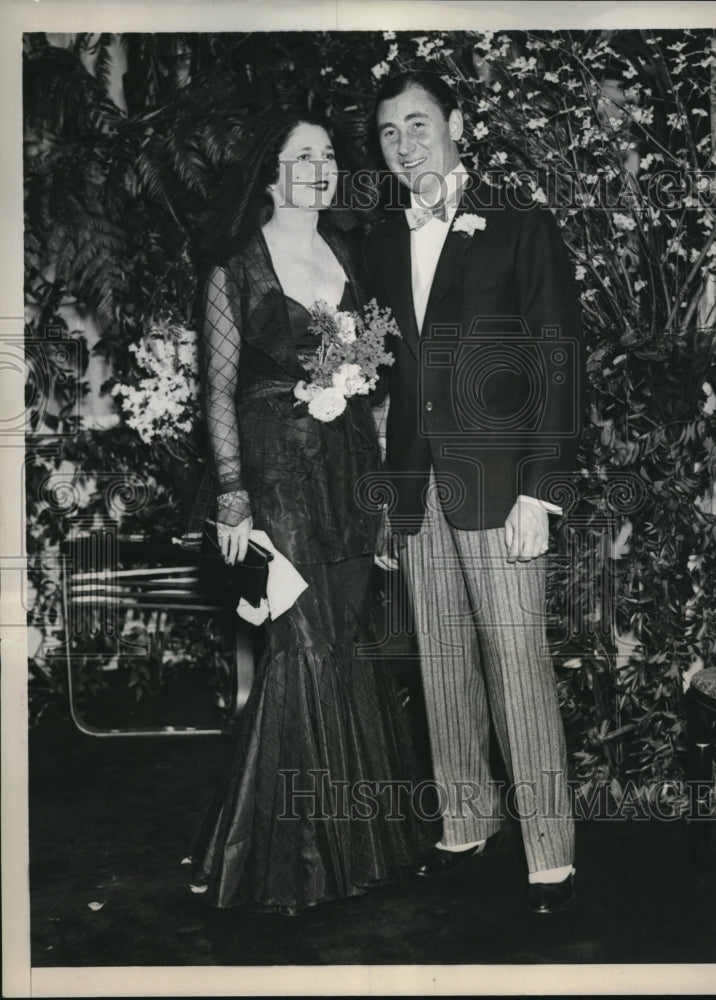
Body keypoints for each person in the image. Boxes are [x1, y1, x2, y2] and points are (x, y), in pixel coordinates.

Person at [189, 109, 419, 915]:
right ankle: (285, 860)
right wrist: (233, 496)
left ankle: (359, 845)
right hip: (275, 472)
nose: (319, 168)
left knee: (346, 640)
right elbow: (217, 392)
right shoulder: (234, 269)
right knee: (301, 642)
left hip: (348, 468)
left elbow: (377, 381)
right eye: (303, 155)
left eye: (327, 155)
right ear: (271, 171)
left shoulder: (350, 254)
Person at [364, 71, 584, 915]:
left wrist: (541, 491)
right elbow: (394, 383)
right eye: (388, 133)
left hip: (502, 487)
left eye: (417, 124)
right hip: (419, 488)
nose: (404, 144)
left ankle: (549, 857)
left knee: (517, 667)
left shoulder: (519, 224)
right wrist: (390, 501)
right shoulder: (383, 242)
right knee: (443, 662)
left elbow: (559, 360)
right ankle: (464, 825)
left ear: (454, 123)